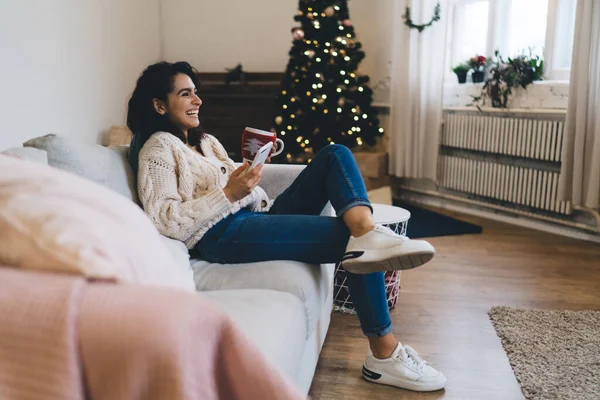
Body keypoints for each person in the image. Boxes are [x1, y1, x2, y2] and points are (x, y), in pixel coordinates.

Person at [127, 61, 447, 392]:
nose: (197, 100)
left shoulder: (205, 141)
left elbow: (236, 189)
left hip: (254, 216)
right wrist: (227, 194)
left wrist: (252, 178)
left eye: (196, 92)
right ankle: (384, 354)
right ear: (159, 105)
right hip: (221, 234)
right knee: (350, 240)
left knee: (335, 155)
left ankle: (367, 229)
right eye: (185, 94)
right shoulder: (158, 148)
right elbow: (164, 218)